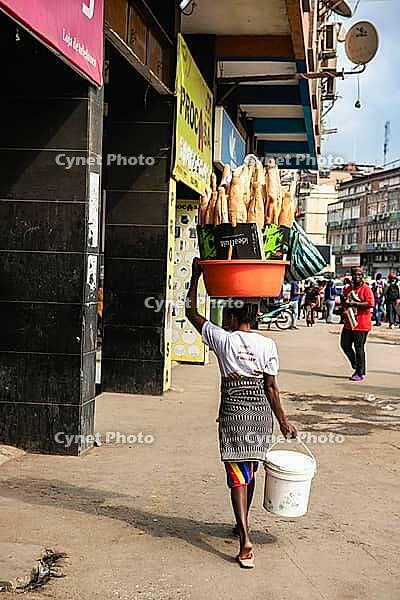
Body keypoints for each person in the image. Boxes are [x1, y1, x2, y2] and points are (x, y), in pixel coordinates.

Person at [185, 258, 297, 569]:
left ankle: (245, 539)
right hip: (260, 415)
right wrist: (283, 422)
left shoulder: (224, 339)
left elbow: (190, 312)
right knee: (249, 472)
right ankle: (242, 523)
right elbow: (272, 387)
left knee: (237, 476)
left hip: (234, 413)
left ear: (231, 316)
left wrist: (195, 277)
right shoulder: (267, 344)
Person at [340, 267, 375, 382]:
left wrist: (355, 303)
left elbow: (370, 303)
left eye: (359, 275)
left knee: (359, 347)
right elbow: (344, 303)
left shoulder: (366, 289)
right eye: (355, 275)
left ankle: (360, 372)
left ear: (362, 276)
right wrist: (344, 305)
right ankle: (355, 363)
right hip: (349, 322)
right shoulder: (348, 289)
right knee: (344, 344)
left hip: (362, 323)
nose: (357, 277)